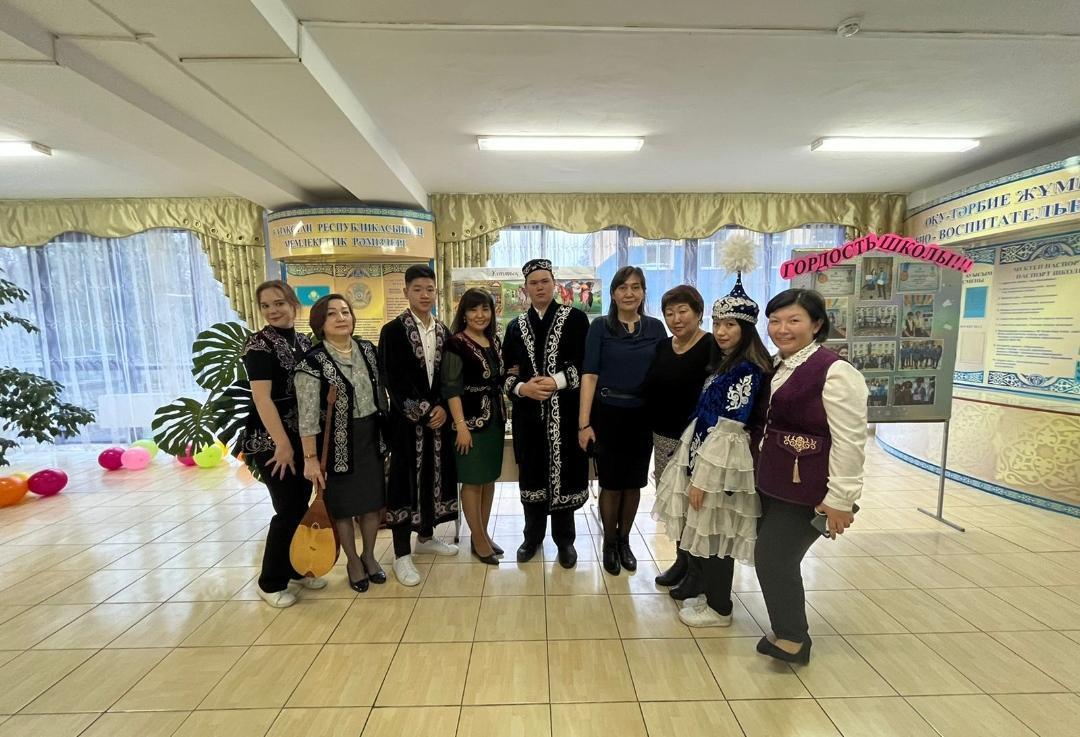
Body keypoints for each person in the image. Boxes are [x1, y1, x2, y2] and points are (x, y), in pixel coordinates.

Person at [755, 288, 867, 664]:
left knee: (774, 557)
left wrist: (841, 499)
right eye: (775, 321)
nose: (782, 328)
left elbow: (850, 440)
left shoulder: (835, 371)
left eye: (794, 320)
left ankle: (793, 639)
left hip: (809, 489)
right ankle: (785, 630)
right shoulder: (778, 364)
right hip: (776, 481)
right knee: (773, 555)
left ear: (816, 324)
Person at [652, 278, 772, 627]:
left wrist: (703, 478)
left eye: (730, 325)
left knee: (717, 533)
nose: (721, 332)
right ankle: (711, 595)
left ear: (746, 329)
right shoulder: (727, 362)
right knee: (707, 529)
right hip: (702, 454)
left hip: (721, 466)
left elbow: (730, 429)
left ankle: (720, 608)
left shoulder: (746, 369)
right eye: (718, 324)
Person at [239, 280, 325, 608]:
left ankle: (294, 569)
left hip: (302, 435)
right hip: (272, 441)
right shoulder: (258, 345)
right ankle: (270, 582)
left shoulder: (302, 341)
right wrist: (282, 444)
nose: (273, 310)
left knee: (299, 505)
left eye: (279, 303)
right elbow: (262, 399)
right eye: (266, 306)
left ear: (293, 304)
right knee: (288, 509)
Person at [295, 295, 388, 592]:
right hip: (336, 445)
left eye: (345, 312)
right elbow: (308, 416)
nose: (340, 318)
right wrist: (310, 458)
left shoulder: (368, 350)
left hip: (370, 437)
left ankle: (369, 555)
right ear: (320, 323)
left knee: (372, 505)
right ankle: (353, 561)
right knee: (344, 508)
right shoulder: (312, 362)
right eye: (332, 314)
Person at [578, 267, 666, 575]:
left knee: (634, 483)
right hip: (608, 414)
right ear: (613, 293)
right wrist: (584, 424)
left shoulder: (655, 328)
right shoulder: (600, 327)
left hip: (642, 415)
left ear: (643, 293)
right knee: (612, 484)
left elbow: (663, 373)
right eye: (623, 287)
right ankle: (609, 543)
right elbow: (589, 375)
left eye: (636, 287)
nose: (629, 293)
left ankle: (625, 540)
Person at [502, 259, 590, 568]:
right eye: (533, 283)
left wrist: (557, 381)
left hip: (565, 416)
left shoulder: (576, 319)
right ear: (525, 288)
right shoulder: (514, 327)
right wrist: (522, 388)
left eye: (545, 281)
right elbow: (506, 372)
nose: (539, 287)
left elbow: (585, 365)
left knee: (565, 475)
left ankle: (565, 541)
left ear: (554, 284)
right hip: (528, 419)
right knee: (532, 476)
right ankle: (532, 537)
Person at [379, 264, 459, 587]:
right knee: (404, 483)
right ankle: (401, 554)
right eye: (418, 289)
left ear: (436, 292)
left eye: (430, 289)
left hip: (439, 423)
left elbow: (448, 376)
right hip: (406, 424)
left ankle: (426, 537)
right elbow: (392, 379)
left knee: (433, 478)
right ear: (406, 292)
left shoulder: (443, 331)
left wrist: (443, 407)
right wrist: (425, 411)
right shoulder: (392, 331)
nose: (425, 295)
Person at [642, 285, 713, 589]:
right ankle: (681, 561)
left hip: (698, 440)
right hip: (664, 437)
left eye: (683, 311)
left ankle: (698, 571)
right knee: (674, 502)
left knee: (696, 505)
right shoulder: (663, 346)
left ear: (698, 313)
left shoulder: (711, 346)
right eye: (669, 313)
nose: (676, 318)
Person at [444, 288, 506, 566]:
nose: (480, 315)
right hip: (469, 423)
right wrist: (461, 426)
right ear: (464, 313)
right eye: (473, 309)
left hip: (495, 420)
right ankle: (478, 539)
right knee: (472, 481)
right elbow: (451, 389)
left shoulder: (493, 340)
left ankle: (483, 534)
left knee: (488, 479)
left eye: (485, 308)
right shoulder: (455, 344)